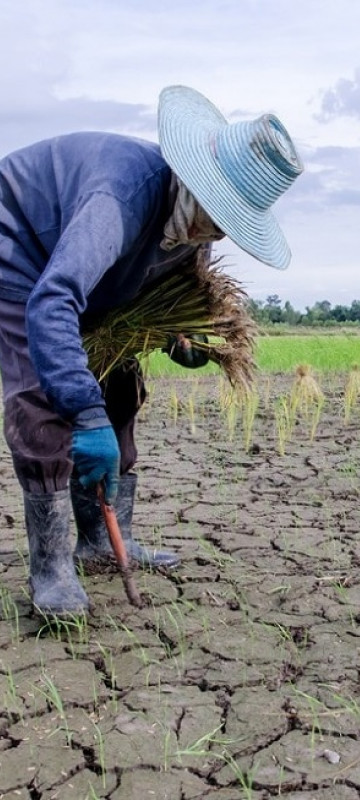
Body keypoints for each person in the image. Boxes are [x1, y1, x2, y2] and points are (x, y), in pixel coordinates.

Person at [0, 85, 303, 617]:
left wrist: (179, 342)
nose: (211, 232)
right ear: (189, 178)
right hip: (19, 252)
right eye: (212, 210)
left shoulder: (195, 233)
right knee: (43, 398)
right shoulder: (119, 197)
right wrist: (82, 411)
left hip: (79, 276)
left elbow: (142, 294)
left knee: (120, 384)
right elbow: (53, 299)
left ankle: (101, 541)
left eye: (226, 223)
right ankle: (50, 572)